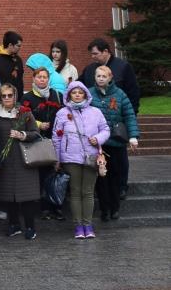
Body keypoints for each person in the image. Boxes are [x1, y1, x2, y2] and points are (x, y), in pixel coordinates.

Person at [52, 81, 110, 239]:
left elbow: (105, 129)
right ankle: (78, 226)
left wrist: (97, 139)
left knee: (88, 192)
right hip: (70, 158)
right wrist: (57, 158)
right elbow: (56, 137)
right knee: (76, 192)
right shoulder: (62, 113)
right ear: (69, 95)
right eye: (74, 92)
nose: (77, 95)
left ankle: (88, 224)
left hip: (91, 157)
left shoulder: (95, 112)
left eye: (80, 92)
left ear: (85, 94)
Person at [89, 64, 140, 222]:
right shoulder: (89, 94)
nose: (101, 79)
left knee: (115, 177)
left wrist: (133, 136)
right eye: (98, 76)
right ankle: (104, 209)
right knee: (101, 178)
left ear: (110, 78)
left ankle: (115, 208)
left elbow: (129, 116)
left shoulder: (120, 94)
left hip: (116, 143)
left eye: (104, 76)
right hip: (98, 144)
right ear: (95, 78)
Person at [0, 83, 41, 239]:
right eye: (4, 95)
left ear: (15, 96)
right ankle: (14, 225)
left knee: (26, 197)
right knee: (9, 196)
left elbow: (36, 133)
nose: (7, 98)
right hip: (6, 160)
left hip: (23, 160)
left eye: (10, 95)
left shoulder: (25, 113)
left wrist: (22, 135)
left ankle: (30, 227)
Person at [23, 64, 65, 219]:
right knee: (41, 175)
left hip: (56, 139)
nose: (42, 80)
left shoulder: (56, 95)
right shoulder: (27, 97)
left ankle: (57, 205)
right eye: (39, 77)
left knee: (55, 174)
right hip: (38, 142)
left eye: (45, 77)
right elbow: (24, 118)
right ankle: (44, 208)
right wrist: (39, 124)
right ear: (34, 78)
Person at [81, 37, 140, 113]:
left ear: (105, 51)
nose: (93, 56)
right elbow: (80, 86)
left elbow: (133, 92)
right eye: (92, 54)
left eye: (95, 54)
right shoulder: (89, 69)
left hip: (119, 115)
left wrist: (132, 112)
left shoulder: (123, 67)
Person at [0, 31, 24, 97]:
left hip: (18, 100)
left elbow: (20, 80)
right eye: (18, 46)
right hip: (2, 101)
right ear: (10, 45)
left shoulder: (18, 59)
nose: (20, 48)